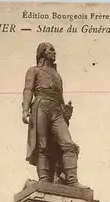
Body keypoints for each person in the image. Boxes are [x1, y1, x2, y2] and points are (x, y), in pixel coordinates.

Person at [22, 43, 80, 186]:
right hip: (41, 106)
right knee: (42, 145)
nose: (54, 52)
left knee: (68, 144)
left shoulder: (57, 75)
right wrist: (25, 109)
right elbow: (28, 89)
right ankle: (44, 179)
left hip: (57, 109)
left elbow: (60, 97)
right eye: (51, 50)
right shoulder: (33, 70)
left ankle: (72, 180)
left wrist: (65, 111)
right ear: (42, 53)